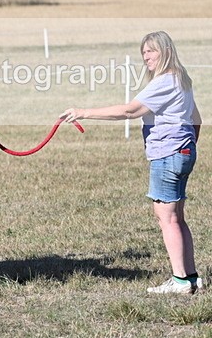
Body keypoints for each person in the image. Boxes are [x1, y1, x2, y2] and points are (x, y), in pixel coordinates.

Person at [60, 31, 203, 295]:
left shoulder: (165, 82)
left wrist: (83, 112)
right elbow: (196, 119)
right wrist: (187, 146)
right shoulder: (182, 80)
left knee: (167, 219)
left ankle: (181, 281)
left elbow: (129, 110)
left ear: (165, 51)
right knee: (177, 218)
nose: (146, 56)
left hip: (168, 154)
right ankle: (191, 277)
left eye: (151, 51)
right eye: (144, 52)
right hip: (182, 152)